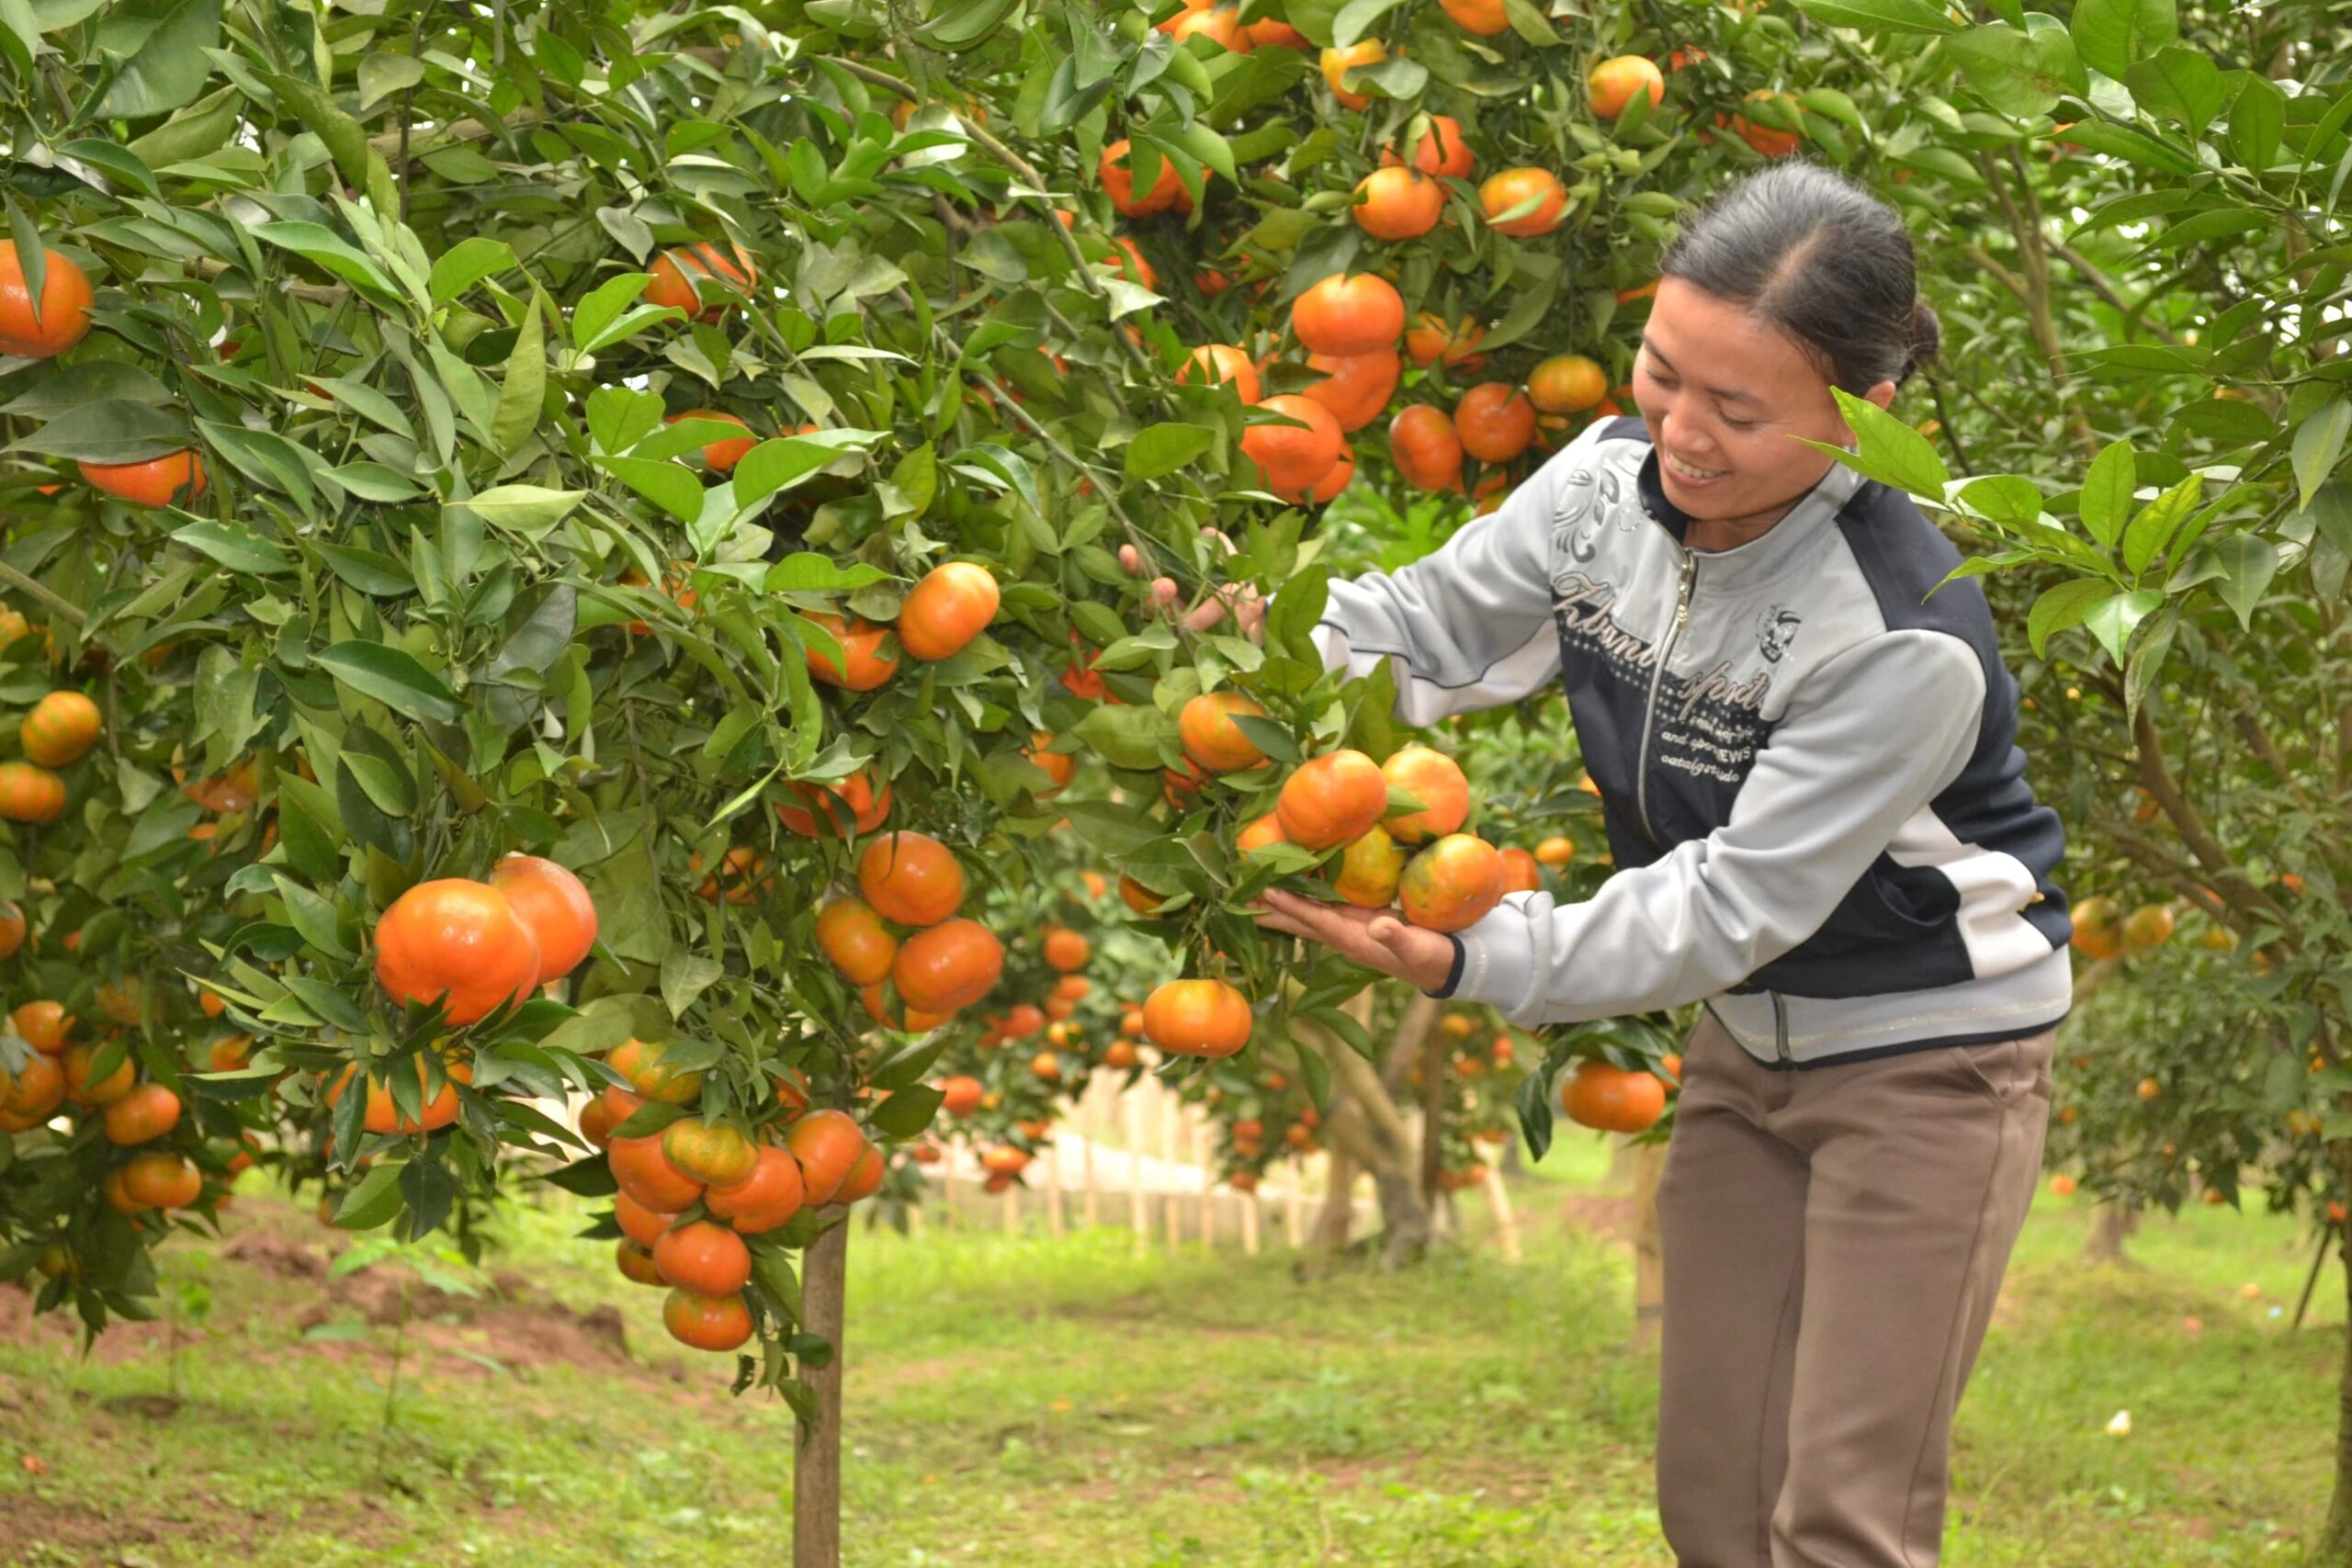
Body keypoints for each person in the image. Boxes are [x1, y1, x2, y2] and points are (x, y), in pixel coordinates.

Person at [1124, 160, 2070, 1567]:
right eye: (1663, 374)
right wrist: (1246, 650)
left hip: (1935, 1060)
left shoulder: (1897, 632)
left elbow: (1733, 901)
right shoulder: (1598, 490)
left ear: (1860, 417)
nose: (1680, 434)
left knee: (1842, 1519)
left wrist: (1474, 955)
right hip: (1750, 1045)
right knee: (1713, 1502)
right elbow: (1427, 634)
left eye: (1738, 411)